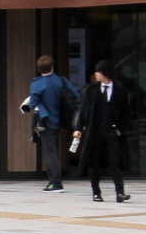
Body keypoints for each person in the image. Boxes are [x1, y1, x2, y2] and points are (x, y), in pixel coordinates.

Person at [73, 60, 131, 203]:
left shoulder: (120, 91)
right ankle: (96, 193)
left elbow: (126, 113)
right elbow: (83, 112)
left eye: (98, 72)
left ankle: (120, 192)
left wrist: (119, 130)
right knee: (94, 163)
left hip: (111, 132)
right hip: (94, 132)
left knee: (114, 163)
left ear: (105, 73)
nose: (96, 74)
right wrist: (78, 129)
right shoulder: (91, 90)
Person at [29, 55, 76, 192]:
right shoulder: (61, 81)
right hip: (60, 119)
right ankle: (53, 181)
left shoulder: (37, 83)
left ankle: (55, 183)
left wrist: (42, 112)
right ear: (52, 67)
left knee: (50, 152)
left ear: (39, 69)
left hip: (45, 121)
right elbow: (75, 96)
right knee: (54, 150)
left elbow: (33, 103)